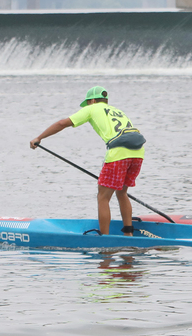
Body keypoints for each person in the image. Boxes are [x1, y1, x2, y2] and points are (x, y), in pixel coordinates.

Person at [30, 86, 146, 235]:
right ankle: (128, 233)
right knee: (122, 193)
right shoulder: (117, 111)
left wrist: (39, 138)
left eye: (88, 103)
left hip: (118, 153)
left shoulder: (92, 108)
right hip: (138, 153)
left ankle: (104, 237)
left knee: (103, 197)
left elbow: (62, 123)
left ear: (92, 100)